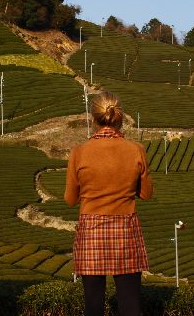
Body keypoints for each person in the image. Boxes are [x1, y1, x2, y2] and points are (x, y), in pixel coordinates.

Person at [65, 91, 153, 316]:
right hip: (125, 230)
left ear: (93, 118)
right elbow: (146, 194)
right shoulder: (136, 150)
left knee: (93, 306)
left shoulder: (79, 152)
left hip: (91, 232)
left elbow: (70, 199)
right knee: (130, 306)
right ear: (120, 118)